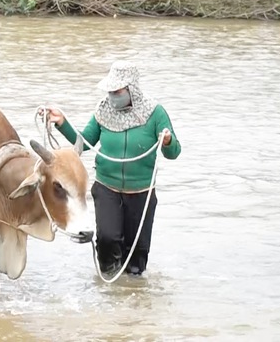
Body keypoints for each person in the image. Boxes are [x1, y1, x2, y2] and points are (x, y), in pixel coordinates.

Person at [43, 60, 181, 278]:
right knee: (107, 239)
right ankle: (107, 284)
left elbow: (174, 153)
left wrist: (167, 141)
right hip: (107, 187)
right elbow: (84, 142)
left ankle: (132, 296)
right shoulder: (103, 110)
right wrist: (62, 123)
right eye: (110, 91)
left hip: (141, 192)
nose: (112, 96)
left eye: (117, 91)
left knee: (138, 252)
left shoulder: (155, 113)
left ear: (131, 89)